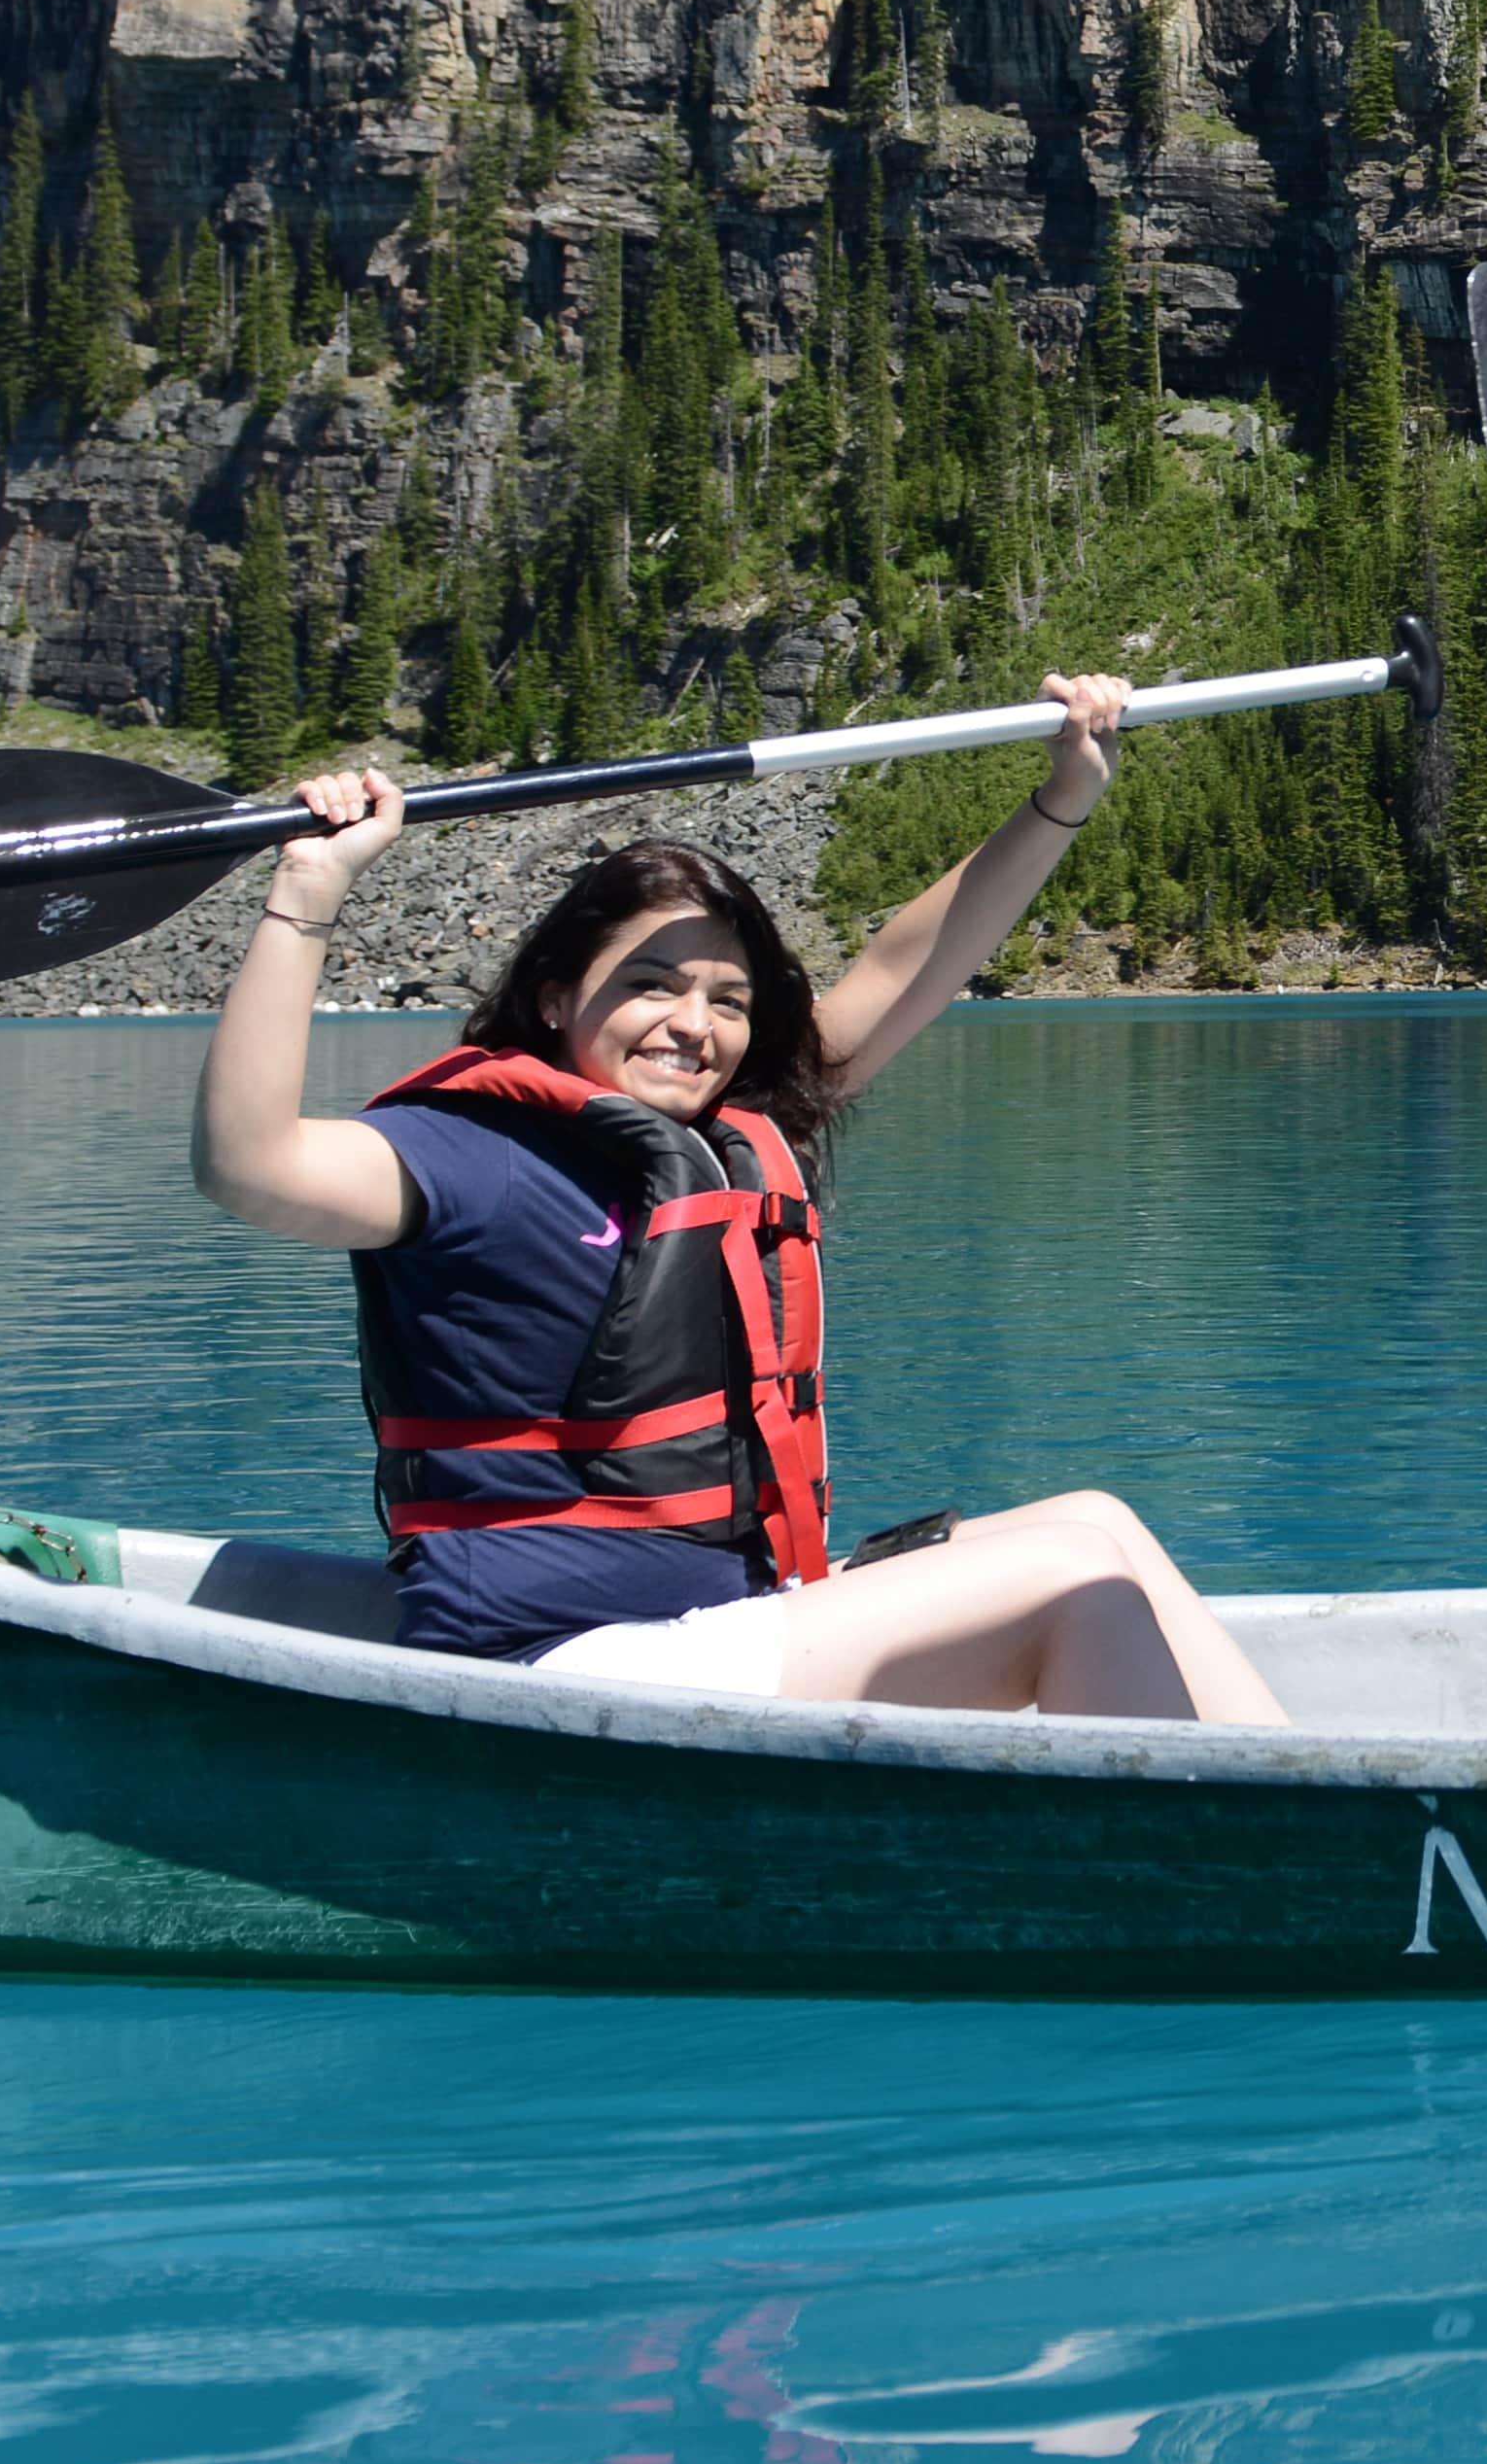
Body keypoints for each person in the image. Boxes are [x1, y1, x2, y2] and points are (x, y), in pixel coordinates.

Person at [186, 676, 1288, 1720]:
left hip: (721, 1619)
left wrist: (1062, 797)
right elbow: (250, 1162)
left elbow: (904, 967)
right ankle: (1232, 1865)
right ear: (560, 992)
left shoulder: (720, 1143)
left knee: (1097, 1522)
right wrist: (305, 895)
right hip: (551, 1658)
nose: (693, 1025)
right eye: (650, 986)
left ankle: (1304, 1799)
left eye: (728, 999)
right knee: (1071, 1577)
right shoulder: (466, 1152)